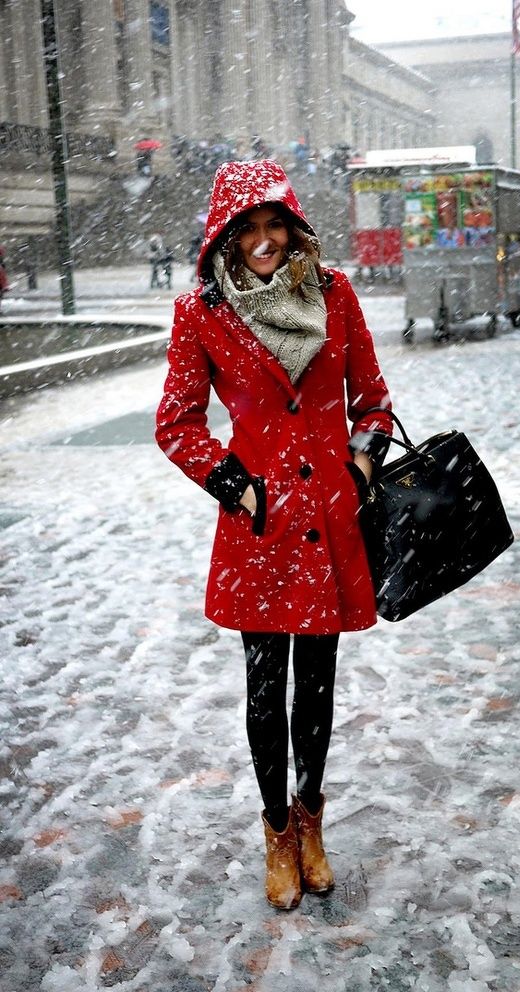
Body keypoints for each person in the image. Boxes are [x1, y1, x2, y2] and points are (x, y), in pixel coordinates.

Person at [155, 160, 392, 910]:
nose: (263, 240)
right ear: (226, 237)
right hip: (258, 528)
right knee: (264, 693)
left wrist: (358, 467)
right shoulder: (204, 312)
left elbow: (375, 403)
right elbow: (177, 421)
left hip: (327, 522)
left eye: (274, 223)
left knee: (316, 689)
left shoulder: (335, 292)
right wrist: (238, 485)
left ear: (294, 225)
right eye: (247, 227)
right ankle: (276, 832)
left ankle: (313, 820)